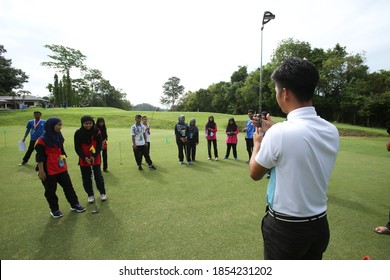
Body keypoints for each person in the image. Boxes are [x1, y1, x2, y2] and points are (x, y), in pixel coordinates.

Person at [249, 58, 339, 260]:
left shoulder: (281, 132)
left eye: (276, 90)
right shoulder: (331, 130)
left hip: (286, 229)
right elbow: (301, 138)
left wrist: (257, 144)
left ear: (285, 92)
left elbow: (255, 172)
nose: (276, 94)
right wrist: (272, 130)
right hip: (319, 226)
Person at [35, 117, 85, 218]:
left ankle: (74, 204)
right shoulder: (41, 141)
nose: (60, 127)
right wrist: (41, 172)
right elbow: (39, 158)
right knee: (50, 191)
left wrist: (65, 165)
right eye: (58, 125)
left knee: (68, 187)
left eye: (61, 125)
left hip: (60, 167)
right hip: (48, 170)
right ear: (51, 126)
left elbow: (62, 152)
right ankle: (55, 210)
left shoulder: (58, 137)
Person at [74, 115, 107, 203]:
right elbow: (77, 148)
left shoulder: (97, 132)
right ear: (82, 123)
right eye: (86, 123)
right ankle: (90, 194)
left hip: (95, 157)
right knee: (86, 177)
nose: (88, 125)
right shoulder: (78, 133)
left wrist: (94, 156)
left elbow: (99, 145)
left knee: (98, 176)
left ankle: (102, 193)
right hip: (84, 158)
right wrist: (84, 157)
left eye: (90, 123)